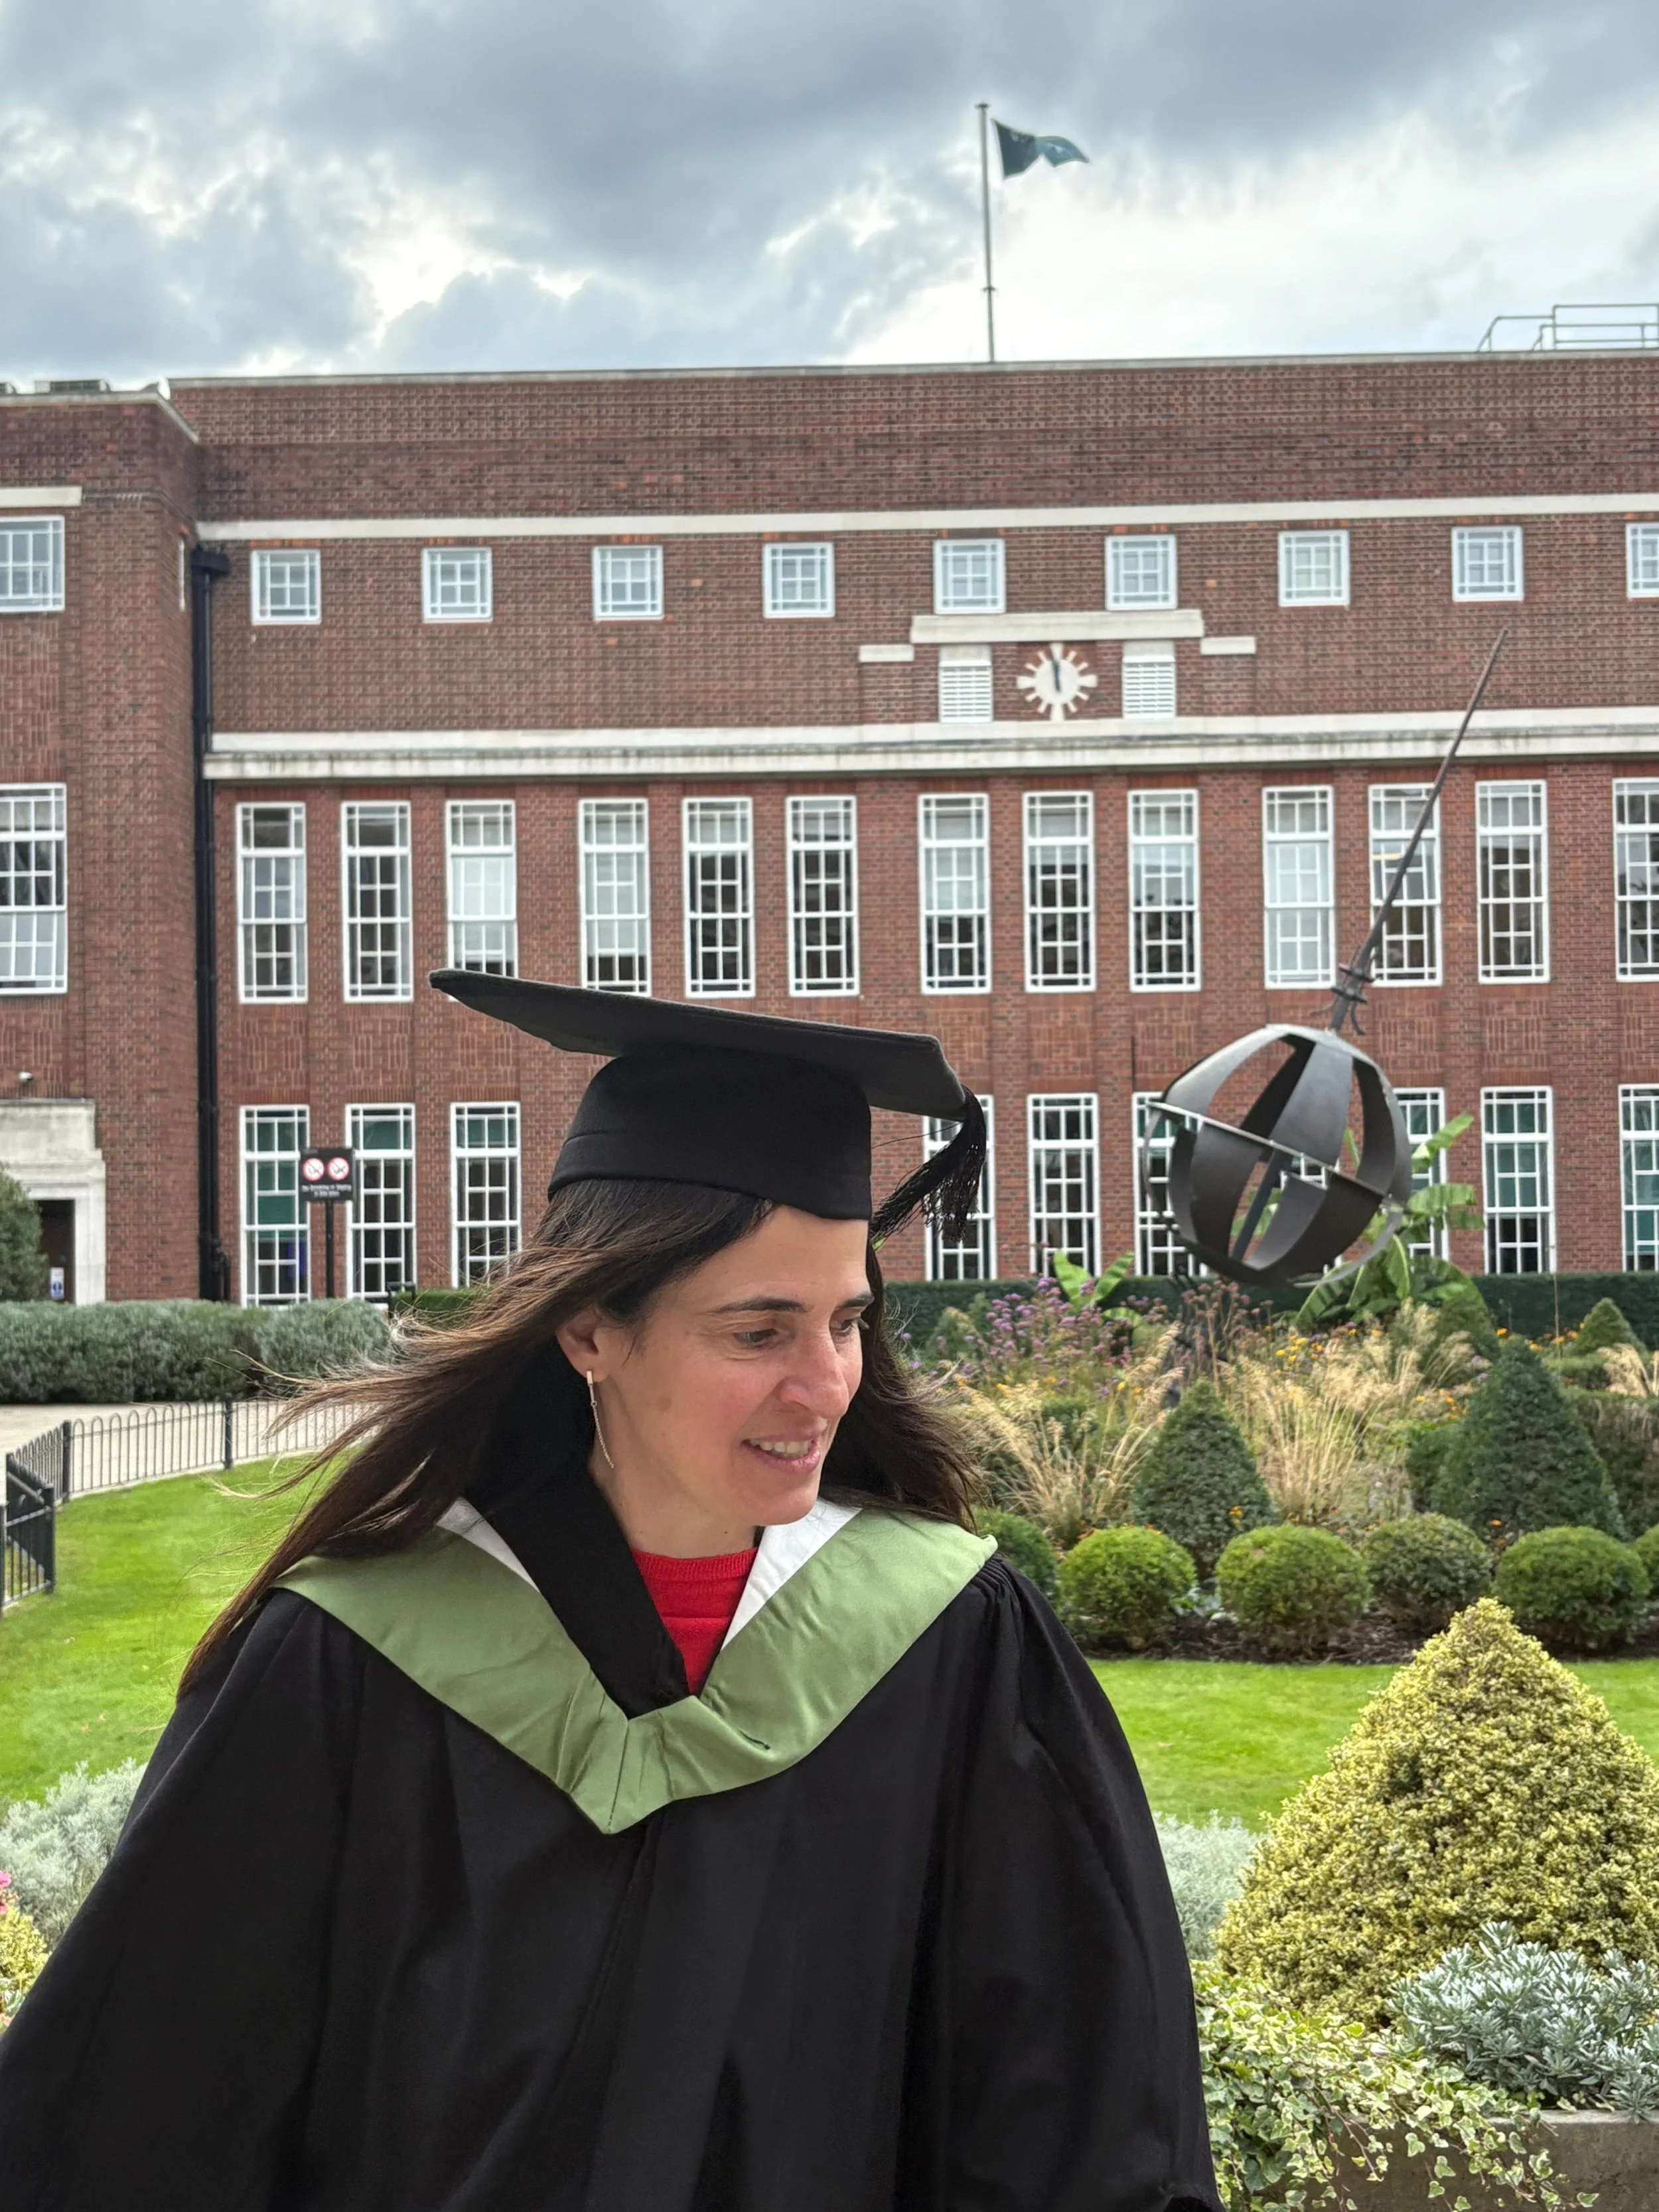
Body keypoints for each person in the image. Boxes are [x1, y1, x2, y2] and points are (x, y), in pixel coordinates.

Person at [0, 973, 1221, 2212]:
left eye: (847, 1321)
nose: (827, 1384)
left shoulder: (950, 1644)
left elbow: (1079, 2114)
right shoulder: (353, 1661)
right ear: (589, 1330)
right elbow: (146, 2111)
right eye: (758, 1332)